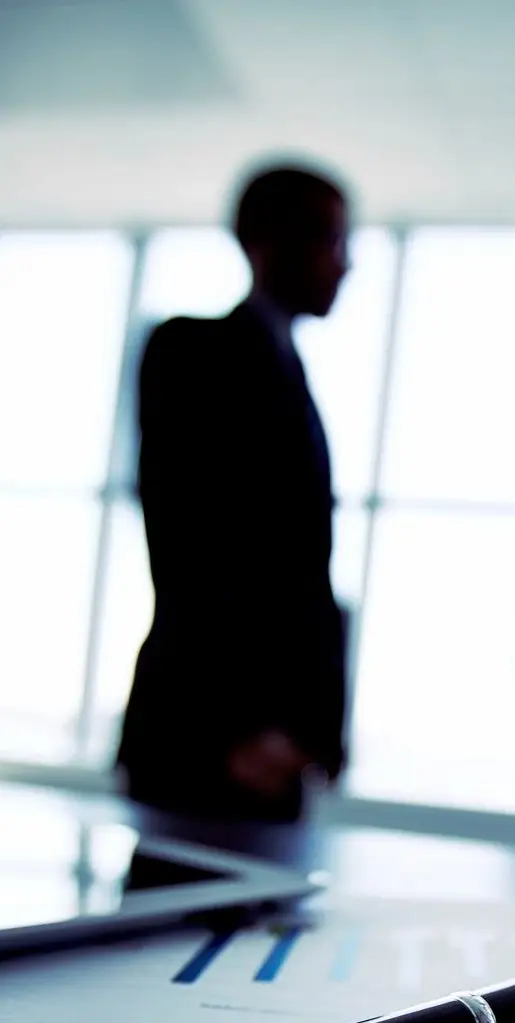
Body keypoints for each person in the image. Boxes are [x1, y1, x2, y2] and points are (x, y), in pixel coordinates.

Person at [117, 162, 351, 824]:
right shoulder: (190, 350)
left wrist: (313, 734)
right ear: (269, 240)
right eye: (333, 240)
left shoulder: (291, 370)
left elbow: (305, 575)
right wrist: (239, 731)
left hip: (278, 748)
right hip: (205, 735)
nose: (346, 264)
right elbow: (184, 540)